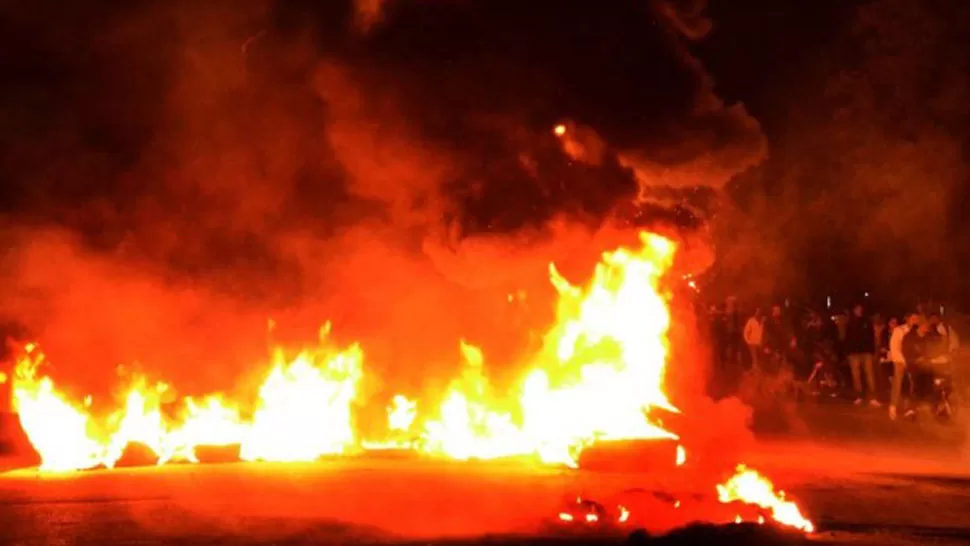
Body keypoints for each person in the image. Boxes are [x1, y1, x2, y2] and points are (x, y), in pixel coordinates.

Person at [845, 303, 879, 406]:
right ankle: (859, 396)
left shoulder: (867, 322)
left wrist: (872, 351)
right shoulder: (850, 323)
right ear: (854, 311)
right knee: (856, 375)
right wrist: (848, 352)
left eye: (861, 309)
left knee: (869, 374)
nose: (859, 311)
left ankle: (873, 397)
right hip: (854, 353)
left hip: (866, 351)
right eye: (857, 309)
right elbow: (847, 338)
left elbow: (871, 336)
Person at [888, 314, 915, 420]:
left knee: (910, 384)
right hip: (900, 361)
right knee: (897, 384)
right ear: (907, 318)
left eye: (916, 318)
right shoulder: (899, 330)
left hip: (911, 362)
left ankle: (907, 407)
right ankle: (893, 407)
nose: (914, 320)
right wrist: (900, 360)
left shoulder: (915, 331)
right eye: (912, 318)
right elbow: (894, 346)